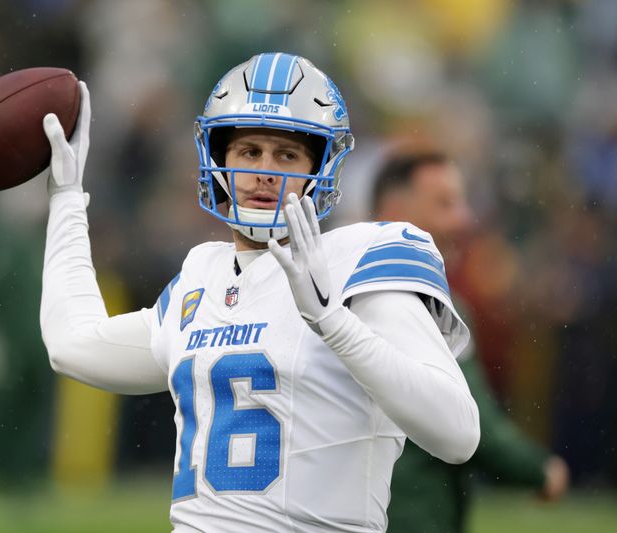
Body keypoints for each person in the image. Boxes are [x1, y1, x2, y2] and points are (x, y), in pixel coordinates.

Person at [39, 53, 480, 532]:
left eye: (286, 154)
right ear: (219, 161)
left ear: (322, 166)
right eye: (249, 151)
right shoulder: (201, 276)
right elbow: (72, 346)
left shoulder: (361, 258)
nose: (265, 171)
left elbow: (458, 433)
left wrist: (335, 325)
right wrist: (66, 199)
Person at [370, 147, 570, 533]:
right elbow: (477, 429)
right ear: (395, 210)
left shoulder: (323, 288)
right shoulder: (428, 304)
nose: (462, 219)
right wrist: (541, 471)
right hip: (407, 516)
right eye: (445, 204)